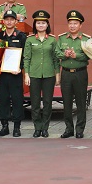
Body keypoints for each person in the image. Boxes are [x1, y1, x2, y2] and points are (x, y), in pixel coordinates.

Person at [23, 10, 59, 138]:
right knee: (35, 102)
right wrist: (26, 74)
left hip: (49, 74)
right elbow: (26, 58)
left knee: (48, 102)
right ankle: (37, 127)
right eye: (38, 23)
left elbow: (55, 58)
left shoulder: (53, 40)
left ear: (47, 24)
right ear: (35, 25)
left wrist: (57, 74)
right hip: (34, 74)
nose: (41, 25)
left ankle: (45, 127)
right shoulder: (30, 40)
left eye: (43, 23)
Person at [55, 10, 90, 139]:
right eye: (70, 23)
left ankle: (80, 129)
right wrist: (64, 54)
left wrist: (77, 56)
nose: (72, 26)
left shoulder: (86, 39)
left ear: (80, 25)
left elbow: (89, 55)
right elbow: (56, 52)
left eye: (75, 23)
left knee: (81, 102)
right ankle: (68, 128)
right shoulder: (62, 38)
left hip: (80, 74)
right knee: (67, 102)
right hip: (66, 74)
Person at [0, 9, 27, 137]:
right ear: (3, 21)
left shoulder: (21, 36)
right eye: (6, 19)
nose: (9, 21)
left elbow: (25, 55)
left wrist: (20, 67)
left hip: (15, 73)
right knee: (3, 100)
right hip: (2, 74)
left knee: (17, 99)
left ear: (15, 21)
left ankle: (17, 127)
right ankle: (4, 126)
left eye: (11, 19)